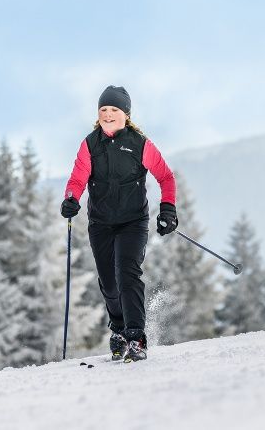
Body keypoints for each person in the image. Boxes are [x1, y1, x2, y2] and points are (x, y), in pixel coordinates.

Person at [61, 85, 178, 362]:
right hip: (100, 223)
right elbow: (77, 179)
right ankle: (119, 331)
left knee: (127, 273)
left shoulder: (140, 144)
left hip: (132, 222)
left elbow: (166, 177)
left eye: (114, 109)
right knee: (109, 284)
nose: (108, 114)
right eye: (103, 109)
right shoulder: (90, 144)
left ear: (126, 114)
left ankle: (136, 336)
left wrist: (168, 209)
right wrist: (71, 198)